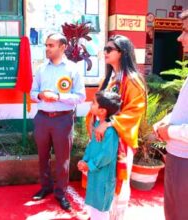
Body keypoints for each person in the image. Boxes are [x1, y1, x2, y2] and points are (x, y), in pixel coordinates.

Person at [91, 34, 147, 219]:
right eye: (104, 49)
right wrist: (95, 124)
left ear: (122, 53)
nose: (105, 52)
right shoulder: (107, 80)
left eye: (109, 49)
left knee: (119, 184)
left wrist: (108, 123)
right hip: (103, 138)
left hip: (120, 141)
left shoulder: (133, 80)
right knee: (102, 178)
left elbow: (134, 111)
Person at [30, 33, 86, 211]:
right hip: (42, 118)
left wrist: (58, 96)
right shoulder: (41, 69)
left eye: (51, 45)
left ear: (62, 47)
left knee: (63, 159)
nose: (47, 48)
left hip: (63, 119)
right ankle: (45, 187)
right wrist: (40, 95)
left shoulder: (73, 69)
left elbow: (81, 96)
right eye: (46, 45)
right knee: (42, 157)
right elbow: (32, 93)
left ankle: (61, 192)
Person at [153, 9, 188, 220]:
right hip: (177, 156)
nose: (180, 37)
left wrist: (170, 131)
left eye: (185, 31)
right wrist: (166, 121)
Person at [78, 91, 121, 220]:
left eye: (94, 103)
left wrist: (90, 165)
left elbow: (107, 155)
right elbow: (91, 146)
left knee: (101, 207)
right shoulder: (97, 125)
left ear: (102, 111)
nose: (91, 105)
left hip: (104, 176)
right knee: (93, 203)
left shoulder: (110, 131)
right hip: (94, 173)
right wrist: (84, 160)